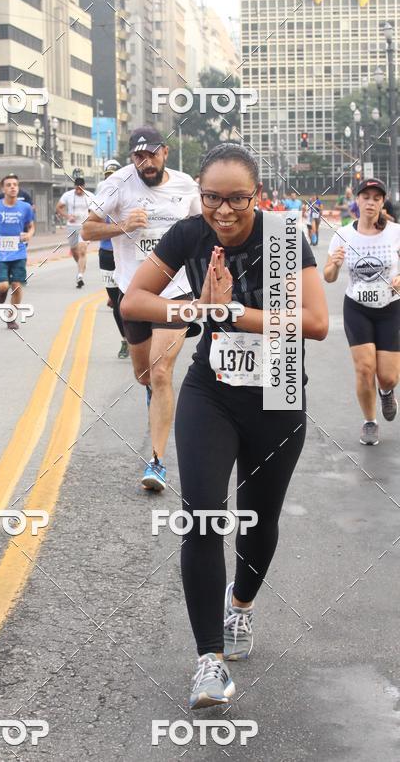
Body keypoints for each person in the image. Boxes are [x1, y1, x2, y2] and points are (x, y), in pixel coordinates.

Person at [121, 142, 328, 707]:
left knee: (259, 520)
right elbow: (134, 302)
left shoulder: (285, 237)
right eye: (213, 197)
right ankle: (208, 661)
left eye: (237, 199)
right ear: (201, 196)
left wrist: (236, 312)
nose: (224, 210)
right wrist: (199, 311)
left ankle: (241, 606)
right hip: (210, 392)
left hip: (278, 391)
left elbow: (315, 323)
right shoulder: (189, 235)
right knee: (204, 516)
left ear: (255, 196)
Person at [82, 126, 202, 492]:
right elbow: (86, 231)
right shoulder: (117, 185)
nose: (144, 162)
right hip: (133, 294)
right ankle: (155, 396)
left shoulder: (185, 186)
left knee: (162, 371)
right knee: (144, 375)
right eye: (138, 157)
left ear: (165, 152)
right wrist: (119, 226)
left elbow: (203, 226)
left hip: (176, 292)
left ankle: (157, 462)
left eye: (151, 155)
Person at [324, 178, 400, 445]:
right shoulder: (343, 234)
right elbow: (329, 277)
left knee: (388, 375)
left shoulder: (395, 232)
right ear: (356, 200)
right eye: (365, 196)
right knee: (365, 368)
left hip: (391, 308)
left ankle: (387, 390)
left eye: (376, 198)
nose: (370, 202)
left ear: (382, 202)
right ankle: (370, 421)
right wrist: (333, 265)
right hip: (357, 308)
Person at [0, 174, 35, 330]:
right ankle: (1, 292)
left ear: (18, 188)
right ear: (3, 188)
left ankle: (11, 318)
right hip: (1, 253)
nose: (12, 187)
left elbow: (31, 226)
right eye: (9, 185)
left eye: (15, 184)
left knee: (17, 286)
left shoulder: (25, 208)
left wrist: (29, 235)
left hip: (19, 252)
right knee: (3, 286)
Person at [98, 159, 128, 359]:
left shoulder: (131, 196)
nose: (112, 181)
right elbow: (91, 226)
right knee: (116, 302)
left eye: (114, 176)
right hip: (107, 253)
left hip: (127, 255)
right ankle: (125, 340)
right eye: (108, 177)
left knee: (126, 299)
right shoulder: (100, 199)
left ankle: (140, 339)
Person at [56, 177, 91, 288]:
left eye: (81, 189)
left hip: (84, 227)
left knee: (82, 250)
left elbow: (96, 210)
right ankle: (80, 265)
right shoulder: (68, 195)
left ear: (84, 187)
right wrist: (67, 216)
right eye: (77, 189)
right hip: (71, 226)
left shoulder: (90, 196)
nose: (79, 191)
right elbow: (59, 208)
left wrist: (90, 218)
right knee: (74, 250)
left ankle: (80, 275)